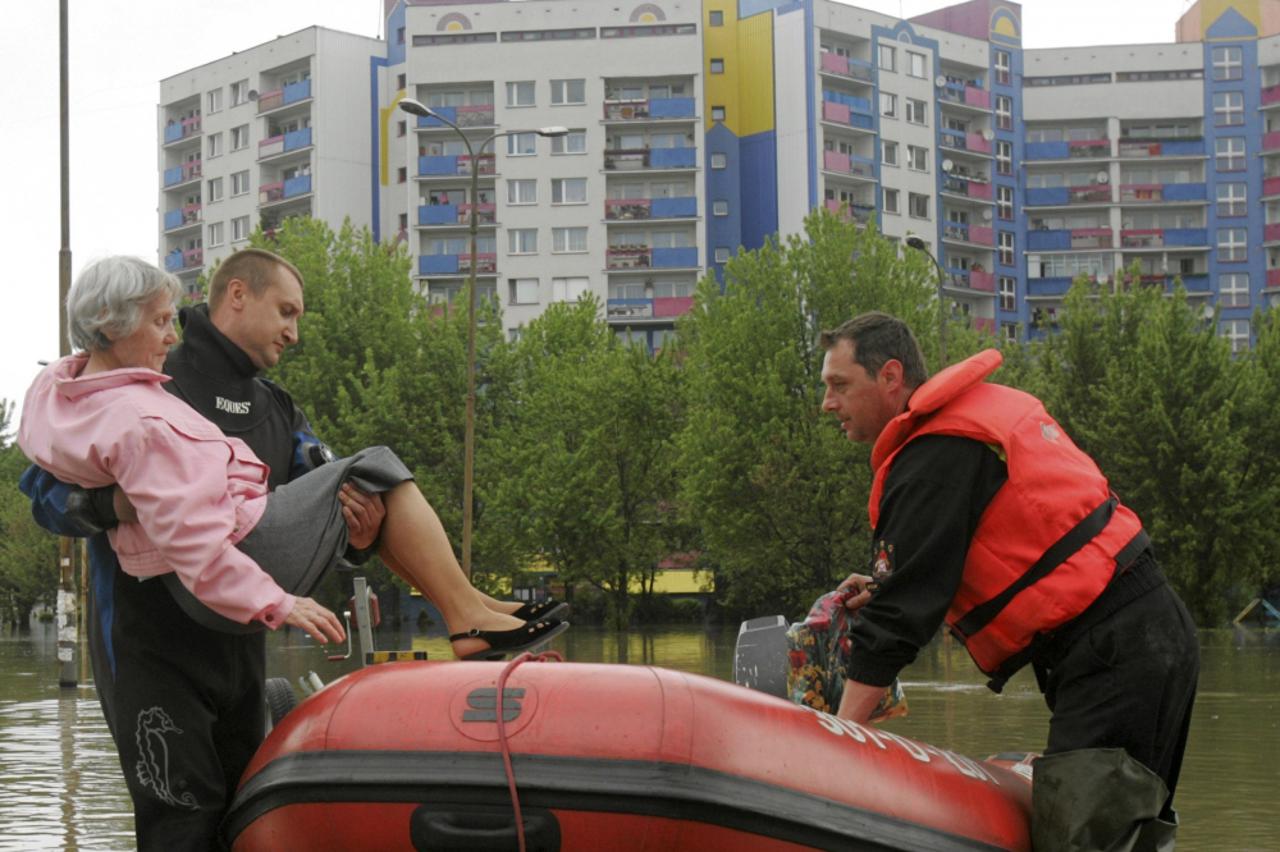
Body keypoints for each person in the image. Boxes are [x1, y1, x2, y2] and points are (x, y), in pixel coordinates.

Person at [20, 253, 567, 850]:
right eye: (285, 312)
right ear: (237, 295)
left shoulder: (277, 408)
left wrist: (357, 541)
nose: (294, 332)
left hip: (241, 633)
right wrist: (121, 507)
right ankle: (469, 617)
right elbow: (44, 495)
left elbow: (323, 501)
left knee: (243, 810)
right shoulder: (140, 374)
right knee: (178, 819)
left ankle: (470, 612)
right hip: (146, 638)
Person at [818, 312, 1197, 851]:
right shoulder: (958, 434)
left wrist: (836, 741)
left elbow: (899, 620)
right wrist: (885, 585)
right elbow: (946, 564)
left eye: (839, 385)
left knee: (1086, 840)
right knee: (1123, 836)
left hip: (1117, 649)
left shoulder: (933, 454)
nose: (827, 403)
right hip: (1143, 632)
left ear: (890, 377)